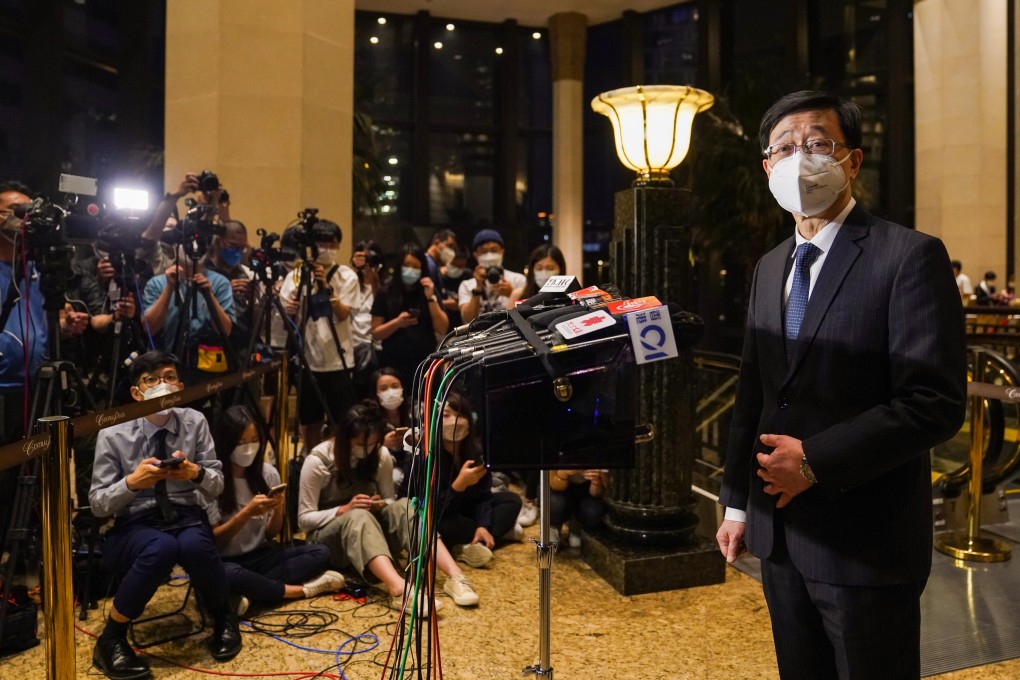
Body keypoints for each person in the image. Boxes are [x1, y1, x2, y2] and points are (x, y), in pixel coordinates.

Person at [715, 90, 967, 680]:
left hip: (865, 544)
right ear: (767, 168)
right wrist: (736, 504)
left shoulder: (908, 257)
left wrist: (816, 461)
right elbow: (754, 392)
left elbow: (933, 403)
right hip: (780, 539)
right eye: (784, 148)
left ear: (851, 162)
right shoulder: (771, 265)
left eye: (817, 144)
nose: (800, 158)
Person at [88, 351, 242, 679]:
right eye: (152, 380)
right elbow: (98, 505)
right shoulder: (113, 433)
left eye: (169, 377)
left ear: (181, 386)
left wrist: (193, 473)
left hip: (186, 513)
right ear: (136, 393)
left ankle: (224, 619)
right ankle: (110, 639)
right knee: (162, 548)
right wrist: (131, 482)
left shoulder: (194, 421)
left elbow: (216, 486)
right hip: (135, 521)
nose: (162, 385)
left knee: (196, 546)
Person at [297, 400, 479, 609]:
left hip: (367, 531)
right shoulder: (318, 461)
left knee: (405, 505)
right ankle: (399, 589)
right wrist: (344, 509)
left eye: (372, 444)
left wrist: (380, 504)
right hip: (328, 539)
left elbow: (390, 498)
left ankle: (455, 576)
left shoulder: (381, 455)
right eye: (358, 445)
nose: (365, 451)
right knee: (359, 516)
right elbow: (304, 520)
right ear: (344, 439)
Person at [205, 405, 343, 614]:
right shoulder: (214, 480)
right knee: (228, 574)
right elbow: (215, 541)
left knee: (320, 552)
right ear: (226, 443)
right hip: (227, 560)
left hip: (260, 556)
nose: (248, 448)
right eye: (241, 442)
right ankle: (302, 591)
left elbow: (270, 533)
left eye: (254, 441)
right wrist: (246, 514)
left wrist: (278, 510)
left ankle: (251, 593)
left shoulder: (267, 474)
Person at [418, 390, 524, 568]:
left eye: (460, 414)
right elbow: (429, 508)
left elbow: (484, 496)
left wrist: (482, 524)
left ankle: (474, 543)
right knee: (437, 525)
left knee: (512, 500)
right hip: (444, 515)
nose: (454, 421)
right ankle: (488, 537)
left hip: (469, 511)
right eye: (446, 415)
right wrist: (458, 486)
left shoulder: (476, 453)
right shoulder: (427, 458)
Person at [279, 221, 358, 451]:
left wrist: (327, 287)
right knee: (310, 421)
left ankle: (339, 462)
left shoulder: (346, 275)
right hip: (308, 361)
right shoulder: (295, 276)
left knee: (341, 421)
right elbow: (289, 320)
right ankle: (313, 460)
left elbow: (343, 314)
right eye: (321, 242)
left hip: (339, 360)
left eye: (331, 242)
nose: (326, 247)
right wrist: (292, 309)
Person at [371, 244, 449, 386]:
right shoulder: (385, 292)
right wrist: (397, 323)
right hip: (393, 364)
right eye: (407, 265)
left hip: (425, 363)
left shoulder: (428, 290)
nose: (410, 270)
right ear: (399, 265)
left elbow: (442, 328)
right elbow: (376, 333)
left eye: (415, 266)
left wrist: (431, 298)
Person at [458, 228, 526, 323]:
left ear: (502, 252)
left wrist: (512, 294)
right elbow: (467, 320)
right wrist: (477, 290)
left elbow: (528, 314)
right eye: (484, 251)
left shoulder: (518, 280)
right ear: (475, 255)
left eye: (494, 250)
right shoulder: (467, 285)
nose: (489, 255)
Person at [349, 240, 385, 398]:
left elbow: (383, 307)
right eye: (361, 258)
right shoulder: (350, 282)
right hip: (352, 345)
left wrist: (375, 279)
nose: (365, 263)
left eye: (369, 258)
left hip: (374, 347)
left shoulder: (384, 286)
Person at [370, 367, 411, 493]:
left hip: (414, 462)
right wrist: (381, 445)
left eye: (395, 386)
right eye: (383, 388)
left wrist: (417, 439)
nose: (391, 392)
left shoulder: (417, 410)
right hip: (386, 467)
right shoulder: (370, 418)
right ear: (376, 393)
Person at [548, 469, 608, 548]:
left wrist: (596, 481)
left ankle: (576, 527)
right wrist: (563, 473)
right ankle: (553, 527)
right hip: (558, 489)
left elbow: (599, 492)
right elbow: (555, 485)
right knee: (555, 504)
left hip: (586, 491)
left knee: (594, 513)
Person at [424, 228, 459, 316]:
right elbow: (426, 299)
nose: (452, 251)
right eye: (450, 246)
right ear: (437, 243)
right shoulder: (429, 265)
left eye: (453, 248)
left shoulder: (434, 265)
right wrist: (449, 303)